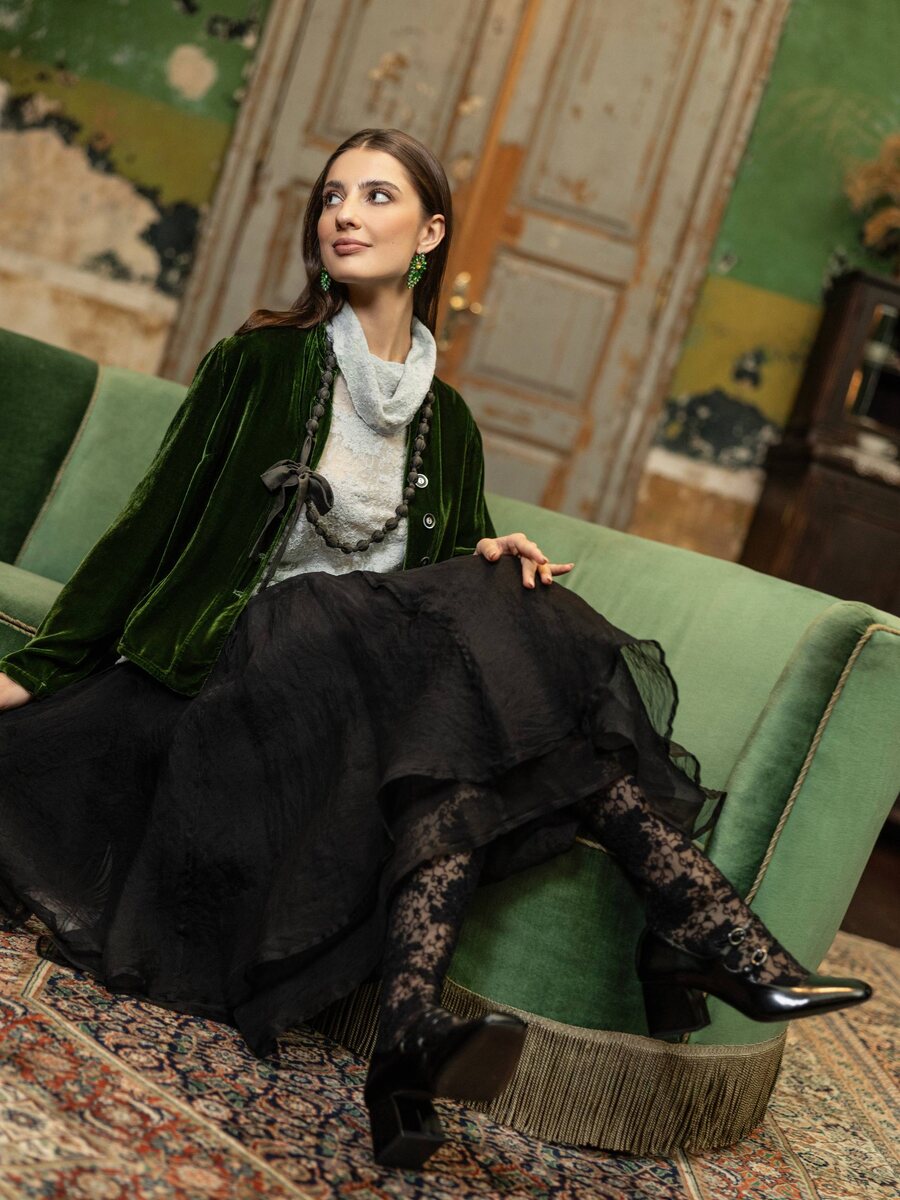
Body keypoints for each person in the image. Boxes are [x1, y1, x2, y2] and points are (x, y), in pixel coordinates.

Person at [0, 128, 871, 1171]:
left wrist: (487, 551)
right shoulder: (258, 363)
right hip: (259, 670)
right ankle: (702, 929)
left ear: (430, 233)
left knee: (492, 628)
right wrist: (37, 669)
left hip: (377, 703)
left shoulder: (447, 421)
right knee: (458, 633)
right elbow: (151, 525)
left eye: (377, 195)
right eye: (333, 195)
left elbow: (440, 591)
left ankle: (410, 1042)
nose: (344, 213)